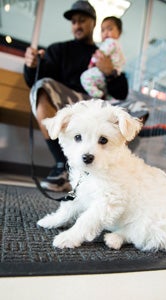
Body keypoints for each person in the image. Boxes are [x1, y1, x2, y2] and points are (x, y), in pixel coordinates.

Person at [24, 0, 129, 192]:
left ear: (93, 23)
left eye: (82, 20)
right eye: (74, 22)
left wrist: (110, 72)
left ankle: (111, 169)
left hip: (97, 106)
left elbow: (122, 93)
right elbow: (36, 82)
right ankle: (62, 166)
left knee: (139, 109)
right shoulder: (58, 50)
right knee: (42, 87)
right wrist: (31, 66)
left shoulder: (105, 53)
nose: (77, 25)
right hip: (67, 104)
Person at [81, 16, 125, 99]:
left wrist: (91, 63)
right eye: (103, 30)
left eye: (110, 29)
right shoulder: (119, 48)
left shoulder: (110, 42)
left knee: (85, 77)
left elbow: (99, 55)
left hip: (103, 74)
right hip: (112, 76)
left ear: (119, 32)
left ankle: (98, 95)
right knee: (105, 91)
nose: (106, 33)